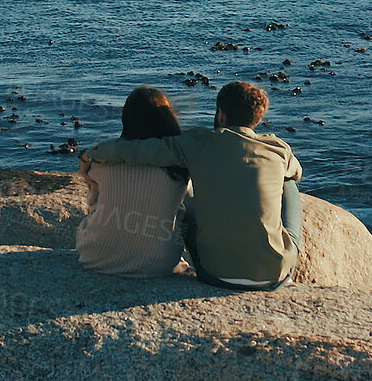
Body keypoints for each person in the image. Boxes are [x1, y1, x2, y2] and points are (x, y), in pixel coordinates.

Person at [81, 80, 302, 290]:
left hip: (214, 274)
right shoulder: (278, 148)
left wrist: (90, 154)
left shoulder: (196, 143)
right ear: (257, 118)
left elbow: (134, 150)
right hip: (274, 275)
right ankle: (283, 253)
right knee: (289, 182)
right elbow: (297, 172)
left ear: (221, 114)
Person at [75, 87, 191, 277]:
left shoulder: (101, 164)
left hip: (94, 257)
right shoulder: (179, 168)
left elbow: (93, 205)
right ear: (167, 119)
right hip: (159, 264)